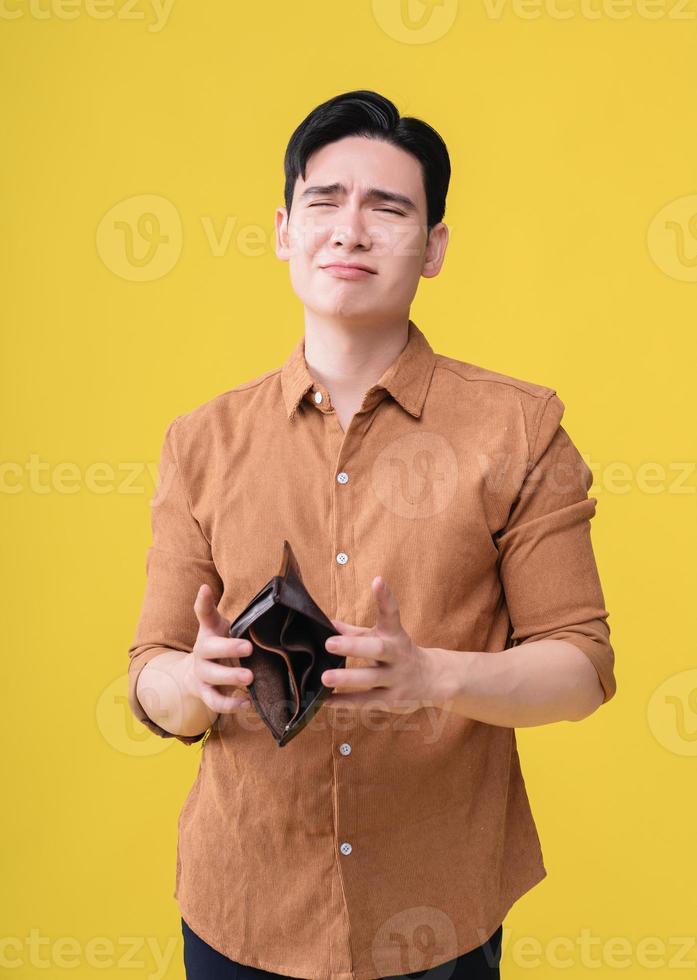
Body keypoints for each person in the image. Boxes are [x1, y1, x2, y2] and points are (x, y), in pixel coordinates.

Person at [127, 89, 616, 980]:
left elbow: (580, 670)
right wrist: (193, 684)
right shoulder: (199, 442)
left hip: (437, 906)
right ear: (283, 230)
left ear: (432, 247)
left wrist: (431, 674)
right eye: (325, 201)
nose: (350, 230)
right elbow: (150, 675)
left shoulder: (520, 430)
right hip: (243, 906)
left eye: (388, 208)